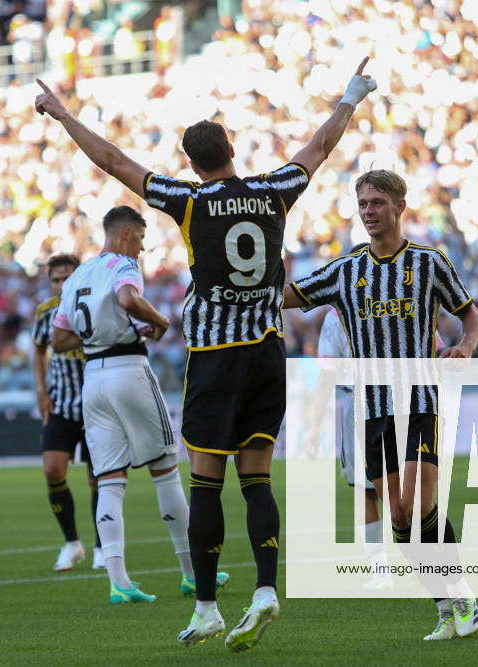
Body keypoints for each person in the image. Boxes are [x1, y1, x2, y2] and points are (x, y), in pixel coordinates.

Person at [35, 57, 378, 650]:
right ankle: (267, 590)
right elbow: (319, 148)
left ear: (193, 162)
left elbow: (115, 161)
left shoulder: (186, 200)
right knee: (258, 479)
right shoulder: (273, 190)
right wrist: (351, 96)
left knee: (205, 482)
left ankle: (207, 609)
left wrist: (62, 113)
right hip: (268, 351)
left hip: (217, 355)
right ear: (233, 149)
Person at [283, 169, 478, 640]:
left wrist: (465, 346)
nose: (369, 211)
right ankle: (445, 602)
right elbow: (290, 296)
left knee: (417, 505)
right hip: (372, 411)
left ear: (399, 206)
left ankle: (462, 598)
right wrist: (253, 281)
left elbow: (470, 315)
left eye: (377, 202)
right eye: (363, 204)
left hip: (418, 403)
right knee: (397, 516)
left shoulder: (429, 263)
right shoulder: (345, 270)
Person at [51, 206, 225, 605]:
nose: (144, 247)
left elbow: (59, 341)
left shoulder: (77, 275)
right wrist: (159, 321)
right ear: (126, 232)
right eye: (142, 237)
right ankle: (192, 574)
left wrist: (100, 334)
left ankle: (119, 581)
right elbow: (129, 298)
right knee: (165, 470)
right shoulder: (123, 266)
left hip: (92, 379)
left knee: (110, 479)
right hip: (128, 368)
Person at [32, 253, 103, 571]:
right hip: (61, 403)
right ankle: (72, 543)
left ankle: (104, 546)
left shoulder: (96, 303)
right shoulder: (46, 311)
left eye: (66, 278)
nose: (61, 285)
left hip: (96, 403)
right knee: (52, 470)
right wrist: (41, 390)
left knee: (98, 478)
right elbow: (38, 350)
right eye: (56, 280)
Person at [317, 305, 392, 591]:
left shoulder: (337, 314)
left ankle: (381, 570)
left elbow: (327, 370)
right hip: (405, 398)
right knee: (406, 485)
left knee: (365, 489)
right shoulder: (402, 296)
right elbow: (433, 348)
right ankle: (427, 565)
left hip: (360, 401)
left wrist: (314, 424)